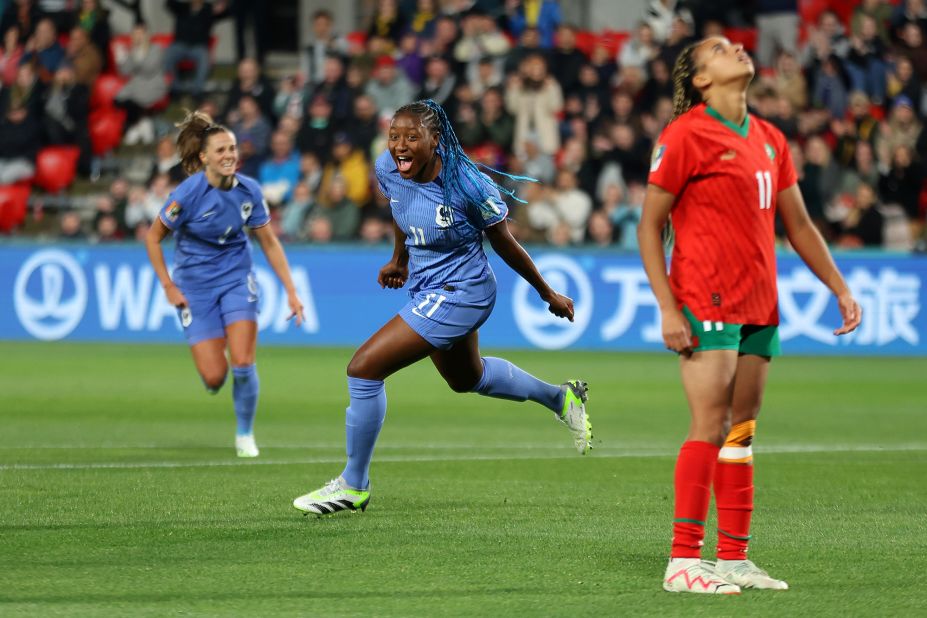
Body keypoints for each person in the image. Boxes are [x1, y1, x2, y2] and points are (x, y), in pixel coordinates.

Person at [637, 37, 862, 594]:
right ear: (701, 80)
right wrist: (668, 307)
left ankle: (733, 558)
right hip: (705, 297)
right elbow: (648, 226)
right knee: (708, 426)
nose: (737, 47)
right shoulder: (685, 134)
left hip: (760, 302)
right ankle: (683, 561)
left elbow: (801, 226)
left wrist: (839, 286)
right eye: (719, 48)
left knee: (740, 431)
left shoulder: (769, 138)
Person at [292, 99, 592, 516]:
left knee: (363, 369)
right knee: (468, 378)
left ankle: (353, 484)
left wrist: (547, 293)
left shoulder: (468, 184)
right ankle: (562, 399)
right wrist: (399, 258)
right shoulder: (389, 167)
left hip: (464, 291)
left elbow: (504, 242)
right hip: (427, 287)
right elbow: (400, 205)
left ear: (436, 141)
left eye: (412, 137)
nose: (400, 145)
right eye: (395, 135)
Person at [144, 111, 305, 458]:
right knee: (215, 377)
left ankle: (245, 434)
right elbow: (153, 238)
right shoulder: (187, 193)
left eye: (232, 148)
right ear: (204, 157)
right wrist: (167, 285)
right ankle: (215, 372)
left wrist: (291, 291)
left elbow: (269, 243)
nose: (229, 155)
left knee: (243, 362)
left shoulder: (249, 191)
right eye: (220, 150)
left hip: (236, 278)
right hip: (194, 287)